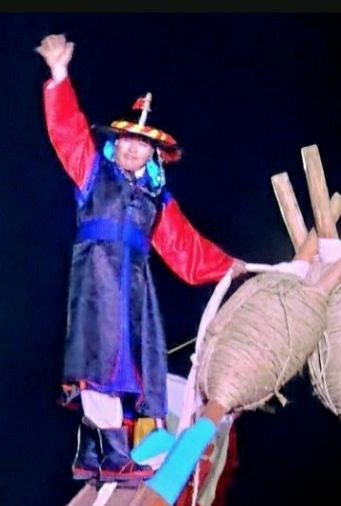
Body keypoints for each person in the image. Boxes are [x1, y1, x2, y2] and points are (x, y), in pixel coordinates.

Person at [37, 32, 241, 480]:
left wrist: (233, 267)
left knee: (126, 366)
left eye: (142, 143)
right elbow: (67, 132)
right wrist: (59, 74)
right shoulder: (93, 170)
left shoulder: (154, 197)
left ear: (154, 152)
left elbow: (185, 248)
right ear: (117, 142)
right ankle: (113, 455)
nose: (132, 148)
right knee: (100, 362)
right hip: (95, 283)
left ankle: (89, 453)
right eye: (127, 139)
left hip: (134, 288)